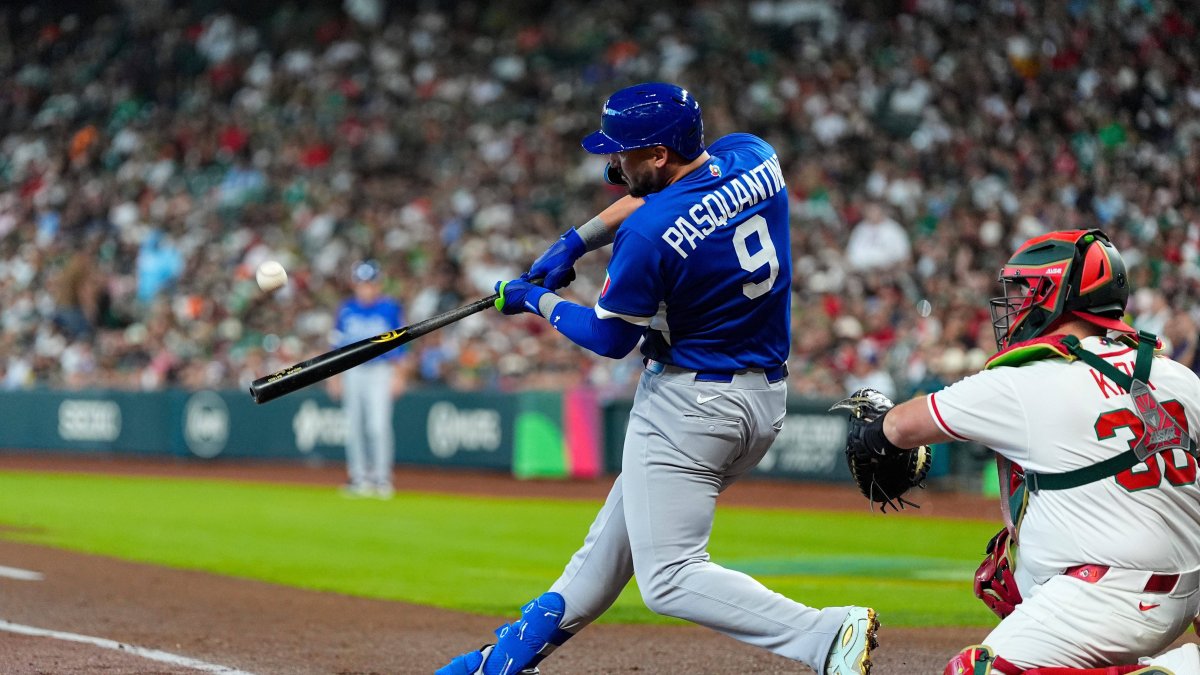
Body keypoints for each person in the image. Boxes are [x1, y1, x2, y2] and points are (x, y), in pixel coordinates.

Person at [438, 82, 878, 675]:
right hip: (762, 399)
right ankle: (503, 661)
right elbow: (669, 198)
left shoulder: (648, 236)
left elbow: (610, 337)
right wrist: (576, 240)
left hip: (689, 405)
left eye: (622, 153)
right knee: (607, 553)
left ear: (659, 154)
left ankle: (825, 635)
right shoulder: (756, 155)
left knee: (668, 577)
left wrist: (535, 299)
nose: (611, 164)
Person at [841, 229, 1200, 674]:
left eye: (1025, 289)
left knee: (975, 671)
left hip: (1104, 600)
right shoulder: (1178, 376)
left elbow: (898, 426)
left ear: (1059, 295)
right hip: (1184, 598)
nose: (1014, 304)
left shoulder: (1026, 381)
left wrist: (872, 430)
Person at [328, 260, 409, 499]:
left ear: (379, 284)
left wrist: (400, 375)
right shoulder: (346, 309)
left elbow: (401, 344)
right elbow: (336, 346)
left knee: (378, 425)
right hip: (353, 371)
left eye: (370, 283)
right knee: (354, 427)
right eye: (362, 283)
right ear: (355, 285)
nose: (366, 288)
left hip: (380, 371)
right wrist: (333, 378)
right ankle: (359, 477)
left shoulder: (389, 308)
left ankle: (382, 478)